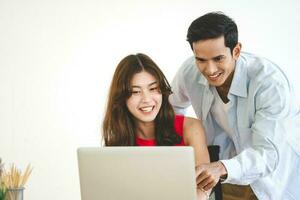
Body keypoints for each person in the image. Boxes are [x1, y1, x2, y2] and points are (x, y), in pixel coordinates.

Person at [169, 11, 300, 200]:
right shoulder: (189, 71)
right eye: (201, 60)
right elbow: (169, 111)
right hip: (225, 177)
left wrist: (221, 167)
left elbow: (267, 155)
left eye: (218, 59)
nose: (210, 69)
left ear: (236, 51)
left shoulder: (270, 84)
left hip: (276, 179)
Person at [102, 53, 211, 200]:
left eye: (153, 88)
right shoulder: (118, 143)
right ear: (121, 97)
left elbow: (203, 188)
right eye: (135, 92)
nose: (147, 99)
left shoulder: (190, 128)